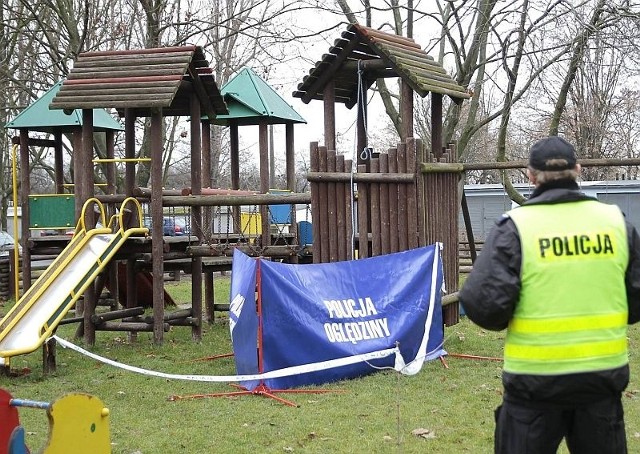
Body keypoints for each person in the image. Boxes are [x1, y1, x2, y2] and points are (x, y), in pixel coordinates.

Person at [459, 136, 640, 453]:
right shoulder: (616, 223)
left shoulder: (515, 227)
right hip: (601, 380)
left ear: (530, 176)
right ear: (578, 170)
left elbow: (483, 305)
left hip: (533, 386)